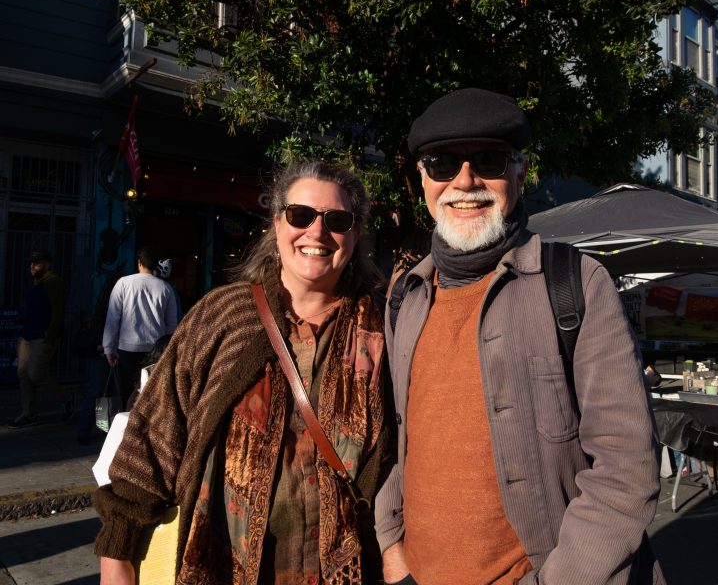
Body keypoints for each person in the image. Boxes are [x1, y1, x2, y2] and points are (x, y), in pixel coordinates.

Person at [375, 88, 665, 585]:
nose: (464, 181)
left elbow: (626, 467)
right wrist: (391, 544)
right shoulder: (405, 297)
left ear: (519, 170)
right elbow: (399, 442)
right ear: (421, 179)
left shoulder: (576, 283)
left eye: (487, 160)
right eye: (443, 164)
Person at [94, 161, 390, 585]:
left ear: (355, 234)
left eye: (337, 220)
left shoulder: (381, 331)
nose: (317, 233)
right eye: (301, 215)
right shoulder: (224, 317)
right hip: (225, 569)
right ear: (277, 223)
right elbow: (153, 435)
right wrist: (116, 557)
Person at [101, 246, 178, 409]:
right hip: (155, 350)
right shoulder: (166, 288)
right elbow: (172, 324)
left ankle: (127, 426)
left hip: (127, 349)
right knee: (150, 393)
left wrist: (109, 348)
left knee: (127, 391)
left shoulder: (123, 283)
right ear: (156, 265)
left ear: (139, 263)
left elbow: (113, 318)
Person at [7, 249, 67, 428]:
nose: (32, 266)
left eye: (37, 262)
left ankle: (66, 398)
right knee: (23, 374)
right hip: (27, 336)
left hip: (42, 337)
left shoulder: (53, 282)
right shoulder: (37, 282)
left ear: (47, 263)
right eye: (31, 263)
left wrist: (49, 339)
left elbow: (58, 312)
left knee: (35, 374)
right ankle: (28, 413)